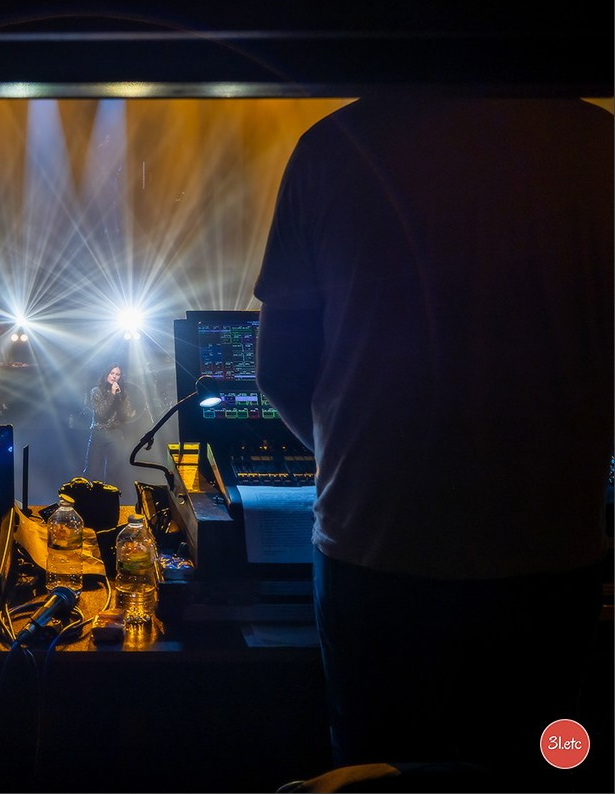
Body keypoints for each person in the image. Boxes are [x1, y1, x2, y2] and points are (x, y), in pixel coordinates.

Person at [254, 98, 612, 790]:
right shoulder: (602, 145)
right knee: (536, 770)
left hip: (378, 553)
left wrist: (352, 462)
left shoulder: (332, 149)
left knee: (375, 773)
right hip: (552, 556)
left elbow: (279, 370)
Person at [82, 362, 136, 495]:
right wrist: (112, 395)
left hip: (115, 434)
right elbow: (101, 414)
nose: (114, 377)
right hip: (98, 433)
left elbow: (126, 416)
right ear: (106, 374)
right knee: (92, 470)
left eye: (117, 374)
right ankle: (86, 499)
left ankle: (109, 501)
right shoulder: (96, 391)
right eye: (112, 373)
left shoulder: (121, 394)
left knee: (113, 471)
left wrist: (120, 399)